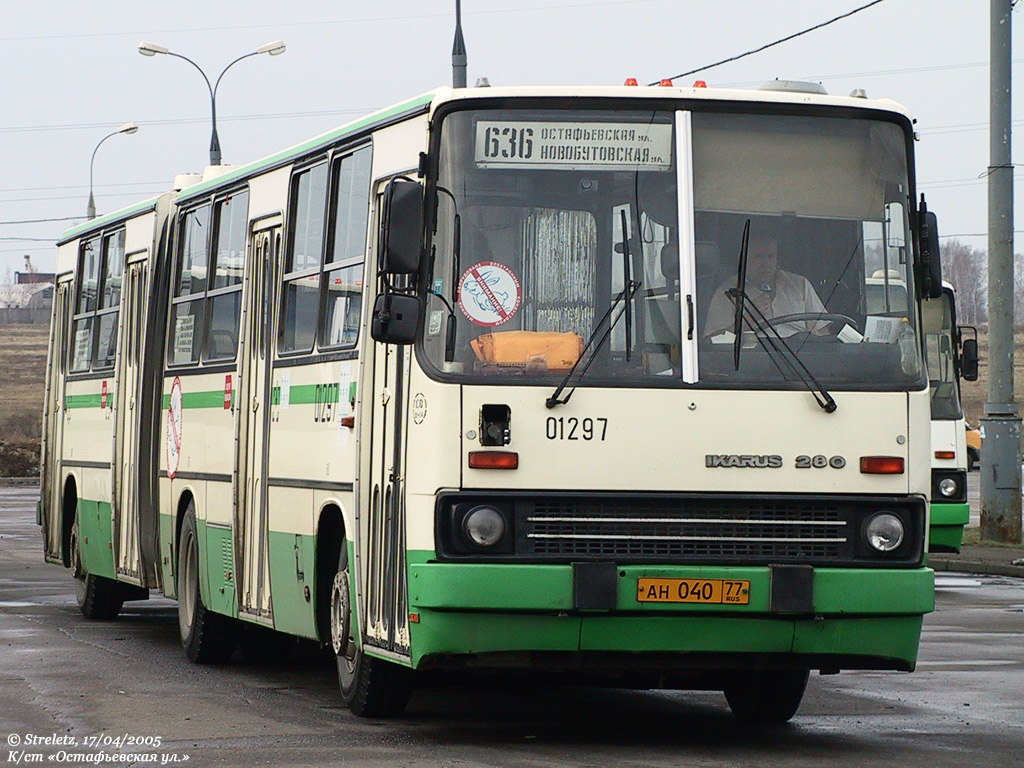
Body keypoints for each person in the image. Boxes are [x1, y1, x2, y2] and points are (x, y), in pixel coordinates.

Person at [702, 232, 829, 338]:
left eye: (771, 256)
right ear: (744, 259)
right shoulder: (727, 292)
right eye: (759, 257)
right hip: (753, 362)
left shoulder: (800, 285)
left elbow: (823, 332)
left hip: (799, 362)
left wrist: (815, 338)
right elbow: (713, 342)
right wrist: (748, 319)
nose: (766, 263)